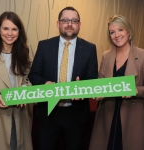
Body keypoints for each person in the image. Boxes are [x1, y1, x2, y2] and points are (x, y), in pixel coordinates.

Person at [28, 6, 98, 150]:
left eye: (74, 20)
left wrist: (83, 89)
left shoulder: (90, 48)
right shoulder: (44, 45)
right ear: (58, 23)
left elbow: (92, 80)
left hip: (76, 115)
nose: (69, 24)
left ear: (79, 24)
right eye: (65, 20)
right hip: (48, 113)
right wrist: (44, 83)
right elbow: (33, 75)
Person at [89, 15, 144, 150]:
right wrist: (96, 92)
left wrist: (137, 90)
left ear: (128, 32)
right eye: (112, 32)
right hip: (107, 115)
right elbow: (100, 83)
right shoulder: (106, 55)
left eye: (120, 30)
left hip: (132, 117)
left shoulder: (142, 56)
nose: (116, 35)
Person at [0, 12, 33, 150]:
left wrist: (24, 88)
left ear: (19, 32)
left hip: (19, 115)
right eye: (5, 28)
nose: (9, 33)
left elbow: (27, 79)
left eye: (14, 29)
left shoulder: (24, 53)